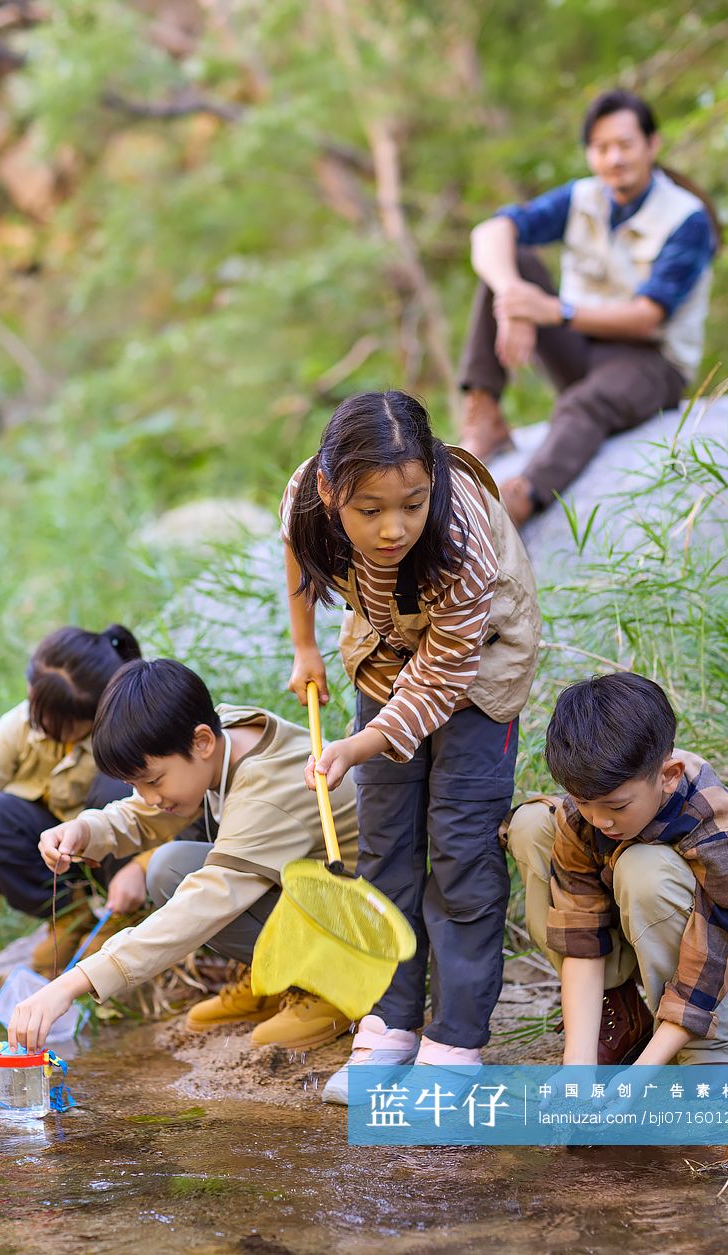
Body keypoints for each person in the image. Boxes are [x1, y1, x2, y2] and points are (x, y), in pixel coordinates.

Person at [282, 389, 540, 1104]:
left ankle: (455, 1038)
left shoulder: (459, 541)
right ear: (331, 490)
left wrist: (357, 744)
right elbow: (297, 549)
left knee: (460, 844)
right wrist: (305, 646)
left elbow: (440, 682)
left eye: (412, 502)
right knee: (388, 841)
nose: (393, 527)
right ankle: (390, 1021)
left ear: (431, 476)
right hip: (387, 646)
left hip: (477, 659)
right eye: (370, 511)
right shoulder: (308, 493)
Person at [8, 657, 360, 1054]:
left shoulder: (268, 789)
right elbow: (144, 813)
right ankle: (275, 979)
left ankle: (333, 984)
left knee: (188, 883)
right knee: (168, 868)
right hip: (318, 898)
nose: (149, 796)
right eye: (135, 784)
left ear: (203, 742)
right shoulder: (218, 739)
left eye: (153, 781)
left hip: (361, 929)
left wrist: (76, 982)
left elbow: (204, 905)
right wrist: (86, 830)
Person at [458, 88, 718, 525]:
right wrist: (512, 296)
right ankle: (484, 414)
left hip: (650, 362)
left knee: (585, 403)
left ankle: (521, 497)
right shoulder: (583, 198)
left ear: (652, 146)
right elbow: (489, 231)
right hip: (582, 348)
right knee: (511, 261)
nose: (614, 158)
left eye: (624, 145)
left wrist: (553, 311)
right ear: (589, 154)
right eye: (601, 148)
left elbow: (648, 317)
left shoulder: (686, 218)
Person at [506, 673, 728, 1065]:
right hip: (629, 925)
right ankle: (619, 1014)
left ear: (669, 775)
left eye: (617, 807)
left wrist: (639, 1075)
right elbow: (581, 934)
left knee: (644, 868)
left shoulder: (711, 820)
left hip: (713, 950)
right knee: (532, 823)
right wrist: (578, 1066)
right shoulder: (588, 812)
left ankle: (707, 1040)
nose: (599, 821)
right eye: (585, 802)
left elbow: (718, 943)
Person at [0, 625, 148, 977]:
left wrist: (143, 867)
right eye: (35, 707)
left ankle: (123, 915)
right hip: (61, 853)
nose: (38, 724)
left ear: (92, 717)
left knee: (115, 788)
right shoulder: (19, 726)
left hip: (117, 852)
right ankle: (70, 916)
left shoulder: (128, 734)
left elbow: (170, 814)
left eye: (53, 722)